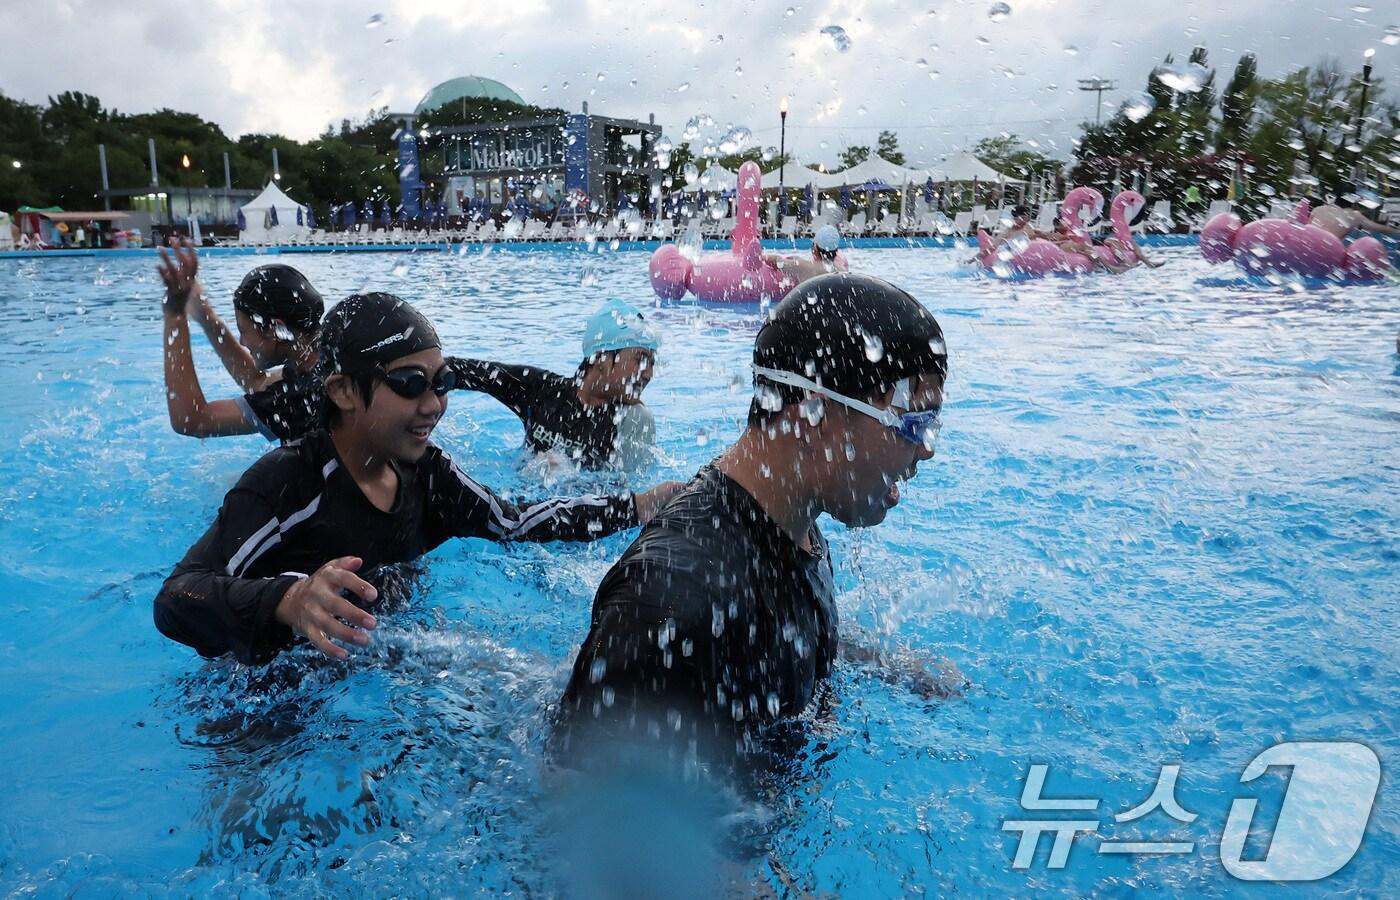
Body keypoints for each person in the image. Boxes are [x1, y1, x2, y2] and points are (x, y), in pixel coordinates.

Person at [556, 273, 962, 769]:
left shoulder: (795, 522)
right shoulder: (668, 599)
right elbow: (586, 813)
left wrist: (887, 665)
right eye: (912, 422)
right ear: (814, 413)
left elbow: (776, 628)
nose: (927, 449)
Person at [153, 292, 684, 666]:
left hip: (373, 657)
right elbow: (176, 598)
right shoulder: (287, 484)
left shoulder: (429, 475)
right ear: (341, 391)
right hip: (262, 691)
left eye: (442, 382)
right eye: (410, 385)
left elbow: (515, 520)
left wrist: (636, 504)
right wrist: (286, 602)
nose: (434, 405)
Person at [449, 298, 660, 469]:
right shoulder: (542, 390)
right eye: (640, 359)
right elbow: (466, 371)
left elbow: (629, 500)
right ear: (601, 358)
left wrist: (565, 479)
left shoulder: (633, 421)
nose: (649, 374)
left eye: (652, 363)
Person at [159, 240, 326, 440]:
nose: (242, 341)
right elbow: (256, 382)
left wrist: (174, 315)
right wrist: (205, 314)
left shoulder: (302, 395)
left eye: (244, 331)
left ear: (276, 329)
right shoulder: (320, 358)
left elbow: (192, 420)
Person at [762, 224, 844, 289]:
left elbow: (777, 261)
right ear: (836, 250)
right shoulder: (842, 270)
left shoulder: (803, 266)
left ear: (814, 248)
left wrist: (760, 256)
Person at [1309, 185, 1400, 242]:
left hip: (1304, 245)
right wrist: (1397, 231)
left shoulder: (1319, 209)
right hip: (1327, 252)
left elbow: (1307, 229)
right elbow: (1382, 229)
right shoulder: (1353, 215)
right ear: (1354, 200)